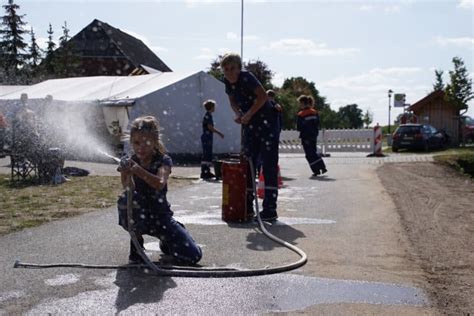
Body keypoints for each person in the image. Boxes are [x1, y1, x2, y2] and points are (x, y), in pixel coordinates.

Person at [117, 116, 202, 265]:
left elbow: (160, 183)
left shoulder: (164, 160)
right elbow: (129, 189)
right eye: (136, 143)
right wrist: (126, 173)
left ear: (155, 142)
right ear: (131, 143)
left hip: (161, 218)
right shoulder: (133, 160)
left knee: (192, 257)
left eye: (146, 142)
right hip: (142, 216)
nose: (140, 147)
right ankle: (137, 246)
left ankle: (169, 239)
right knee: (126, 199)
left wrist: (137, 170)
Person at [221, 53, 280, 221]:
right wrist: (239, 113)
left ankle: (270, 209)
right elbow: (232, 101)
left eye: (233, 68)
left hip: (267, 121)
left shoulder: (247, 78)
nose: (230, 72)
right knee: (248, 164)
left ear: (239, 68)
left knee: (268, 165)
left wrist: (249, 114)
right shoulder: (227, 82)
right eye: (226, 69)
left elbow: (262, 96)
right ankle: (246, 205)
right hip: (251, 123)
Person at [296, 95, 327, 177]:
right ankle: (321, 167)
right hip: (314, 135)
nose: (300, 105)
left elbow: (299, 127)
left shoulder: (301, 114)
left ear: (302, 103)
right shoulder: (314, 112)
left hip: (305, 136)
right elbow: (317, 123)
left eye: (300, 103)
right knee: (313, 152)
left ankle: (317, 169)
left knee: (309, 154)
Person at [200, 99, 224, 179]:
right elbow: (210, 127)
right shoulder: (208, 116)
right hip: (207, 137)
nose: (215, 108)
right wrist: (219, 133)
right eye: (214, 106)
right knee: (206, 154)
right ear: (211, 107)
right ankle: (204, 172)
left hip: (208, 137)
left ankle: (207, 171)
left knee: (208, 154)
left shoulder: (208, 115)